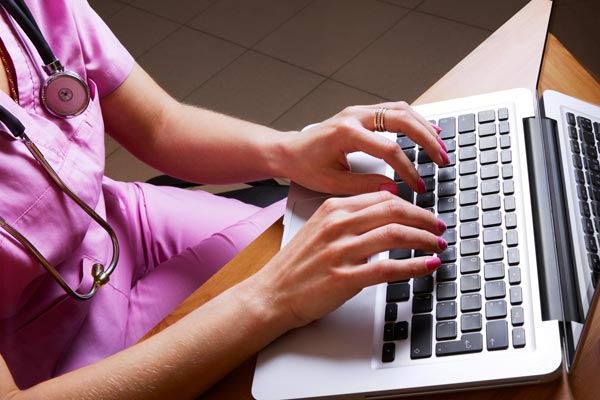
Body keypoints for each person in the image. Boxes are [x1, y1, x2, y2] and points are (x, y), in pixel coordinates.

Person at [0, 1, 449, 398]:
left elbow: (159, 126)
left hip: (125, 223)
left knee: (356, 280)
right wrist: (270, 298)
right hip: (54, 357)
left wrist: (291, 151)